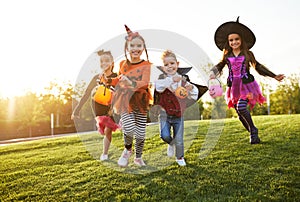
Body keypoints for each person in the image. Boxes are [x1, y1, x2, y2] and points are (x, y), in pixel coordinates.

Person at [210, 17, 285, 144]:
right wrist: (212, 73)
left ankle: (254, 131)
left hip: (247, 86)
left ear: (241, 40)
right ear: (228, 42)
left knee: (241, 106)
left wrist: (274, 76)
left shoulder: (248, 54)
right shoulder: (227, 56)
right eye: (231, 40)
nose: (234, 42)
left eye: (236, 39)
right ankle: (252, 131)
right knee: (239, 114)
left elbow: (258, 66)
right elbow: (220, 65)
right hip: (233, 87)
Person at [105, 25, 153, 167]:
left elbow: (144, 83)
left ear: (143, 48)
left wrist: (130, 81)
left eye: (139, 46)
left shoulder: (146, 65)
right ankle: (127, 150)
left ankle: (138, 157)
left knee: (140, 132)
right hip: (125, 99)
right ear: (127, 47)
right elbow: (119, 79)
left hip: (140, 100)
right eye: (132, 46)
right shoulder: (122, 64)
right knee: (130, 126)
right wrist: (108, 80)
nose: (135, 49)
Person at [154, 50, 208, 166]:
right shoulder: (162, 79)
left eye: (172, 63)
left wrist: (191, 87)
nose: (169, 66)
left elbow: (194, 95)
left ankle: (180, 157)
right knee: (165, 135)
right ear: (163, 68)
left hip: (178, 115)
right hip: (164, 114)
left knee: (179, 139)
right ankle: (170, 143)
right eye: (166, 65)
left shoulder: (183, 80)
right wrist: (171, 80)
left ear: (177, 64)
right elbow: (158, 88)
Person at [71, 50, 119, 160]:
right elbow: (86, 93)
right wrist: (77, 110)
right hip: (97, 107)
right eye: (102, 61)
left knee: (108, 129)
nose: (104, 63)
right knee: (103, 130)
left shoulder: (116, 77)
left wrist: (115, 106)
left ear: (112, 62)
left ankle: (105, 154)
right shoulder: (96, 78)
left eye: (107, 61)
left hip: (110, 108)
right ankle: (106, 150)